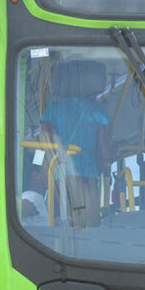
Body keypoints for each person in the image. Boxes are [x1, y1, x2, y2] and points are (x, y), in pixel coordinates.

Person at [41, 60, 111, 227]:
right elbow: (106, 152)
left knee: (64, 220)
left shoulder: (52, 108)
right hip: (89, 175)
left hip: (61, 174)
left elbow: (44, 140)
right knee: (90, 223)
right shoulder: (99, 111)